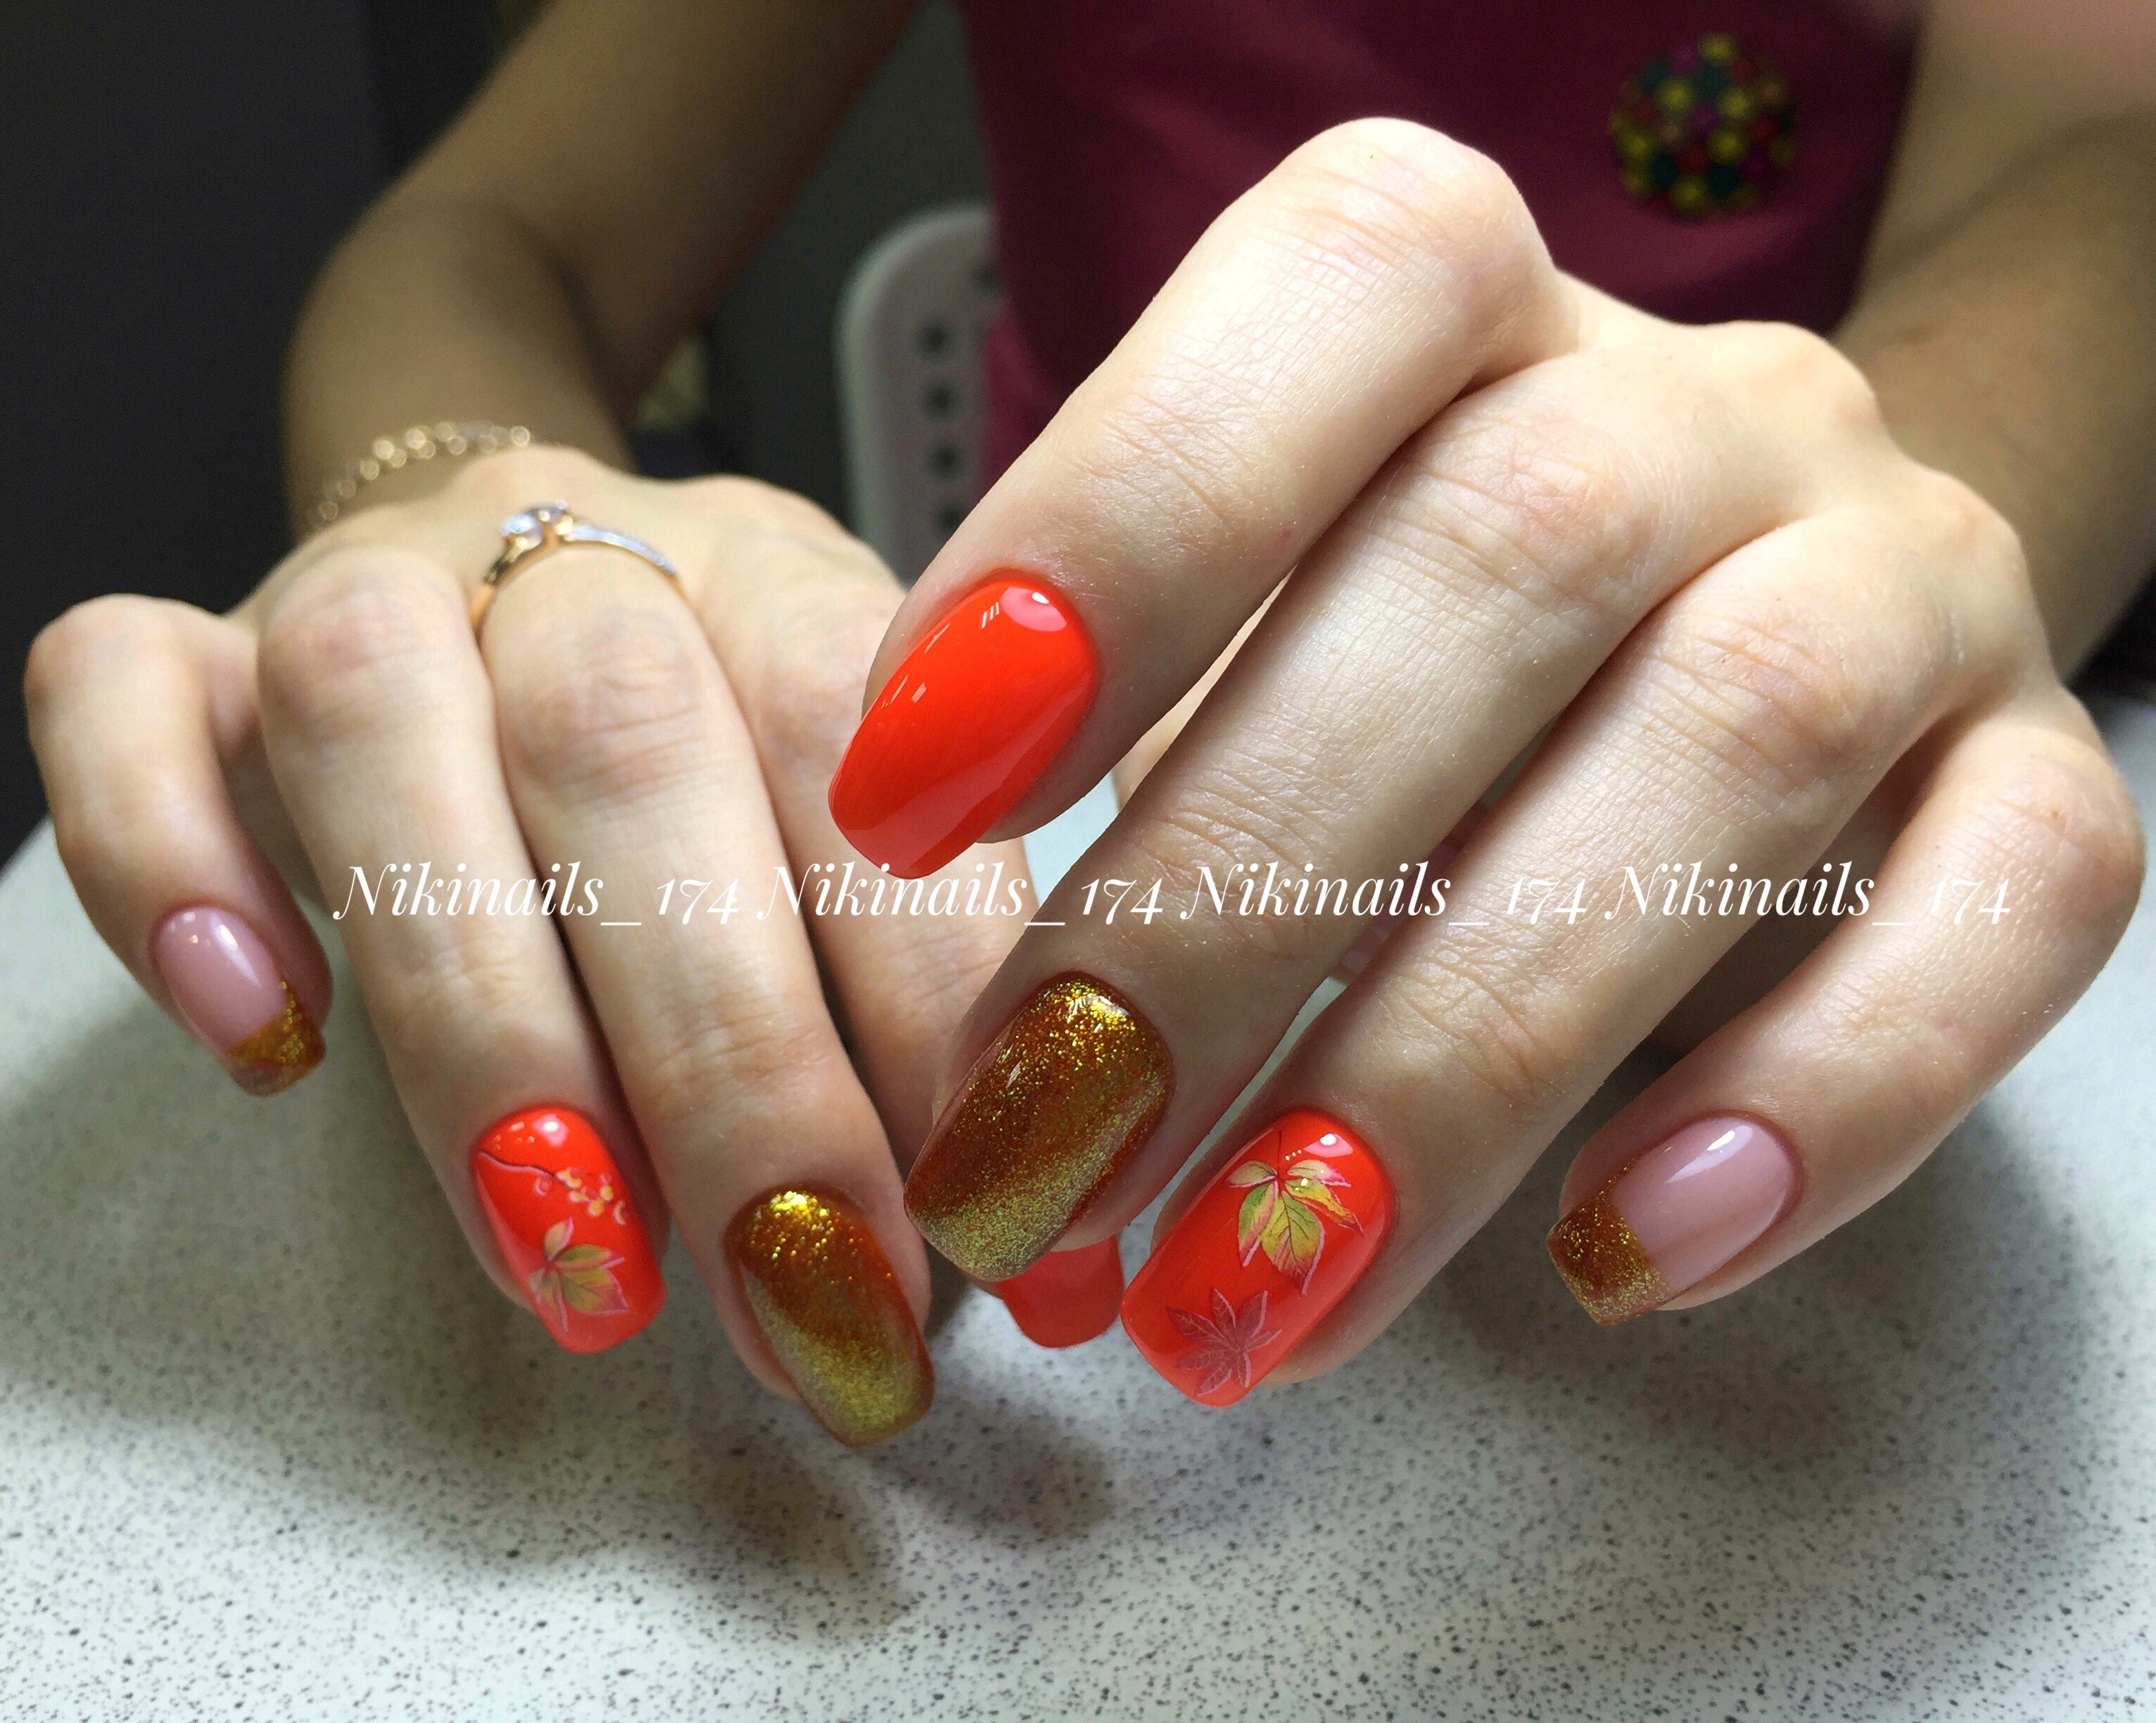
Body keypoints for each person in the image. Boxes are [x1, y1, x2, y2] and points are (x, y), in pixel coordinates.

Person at [24, 0, 2150, 1442]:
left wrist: (1847, 606)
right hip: (1051, 820)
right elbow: (499, 229)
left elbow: (2101, 165)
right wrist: (472, 494)